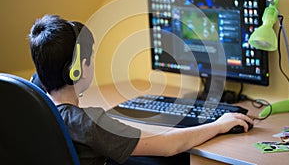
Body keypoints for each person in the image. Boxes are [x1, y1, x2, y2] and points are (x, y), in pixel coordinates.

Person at [28, 14, 254, 165]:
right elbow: (169, 145)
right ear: (77, 70)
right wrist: (219, 124)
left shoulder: (33, 105)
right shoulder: (88, 123)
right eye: (91, 58)